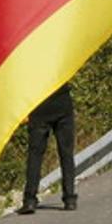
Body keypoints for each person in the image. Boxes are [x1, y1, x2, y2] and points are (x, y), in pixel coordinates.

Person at [18, 84, 77, 214]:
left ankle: (30, 200)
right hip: (62, 100)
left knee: (35, 155)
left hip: (39, 103)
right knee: (66, 153)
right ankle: (70, 198)